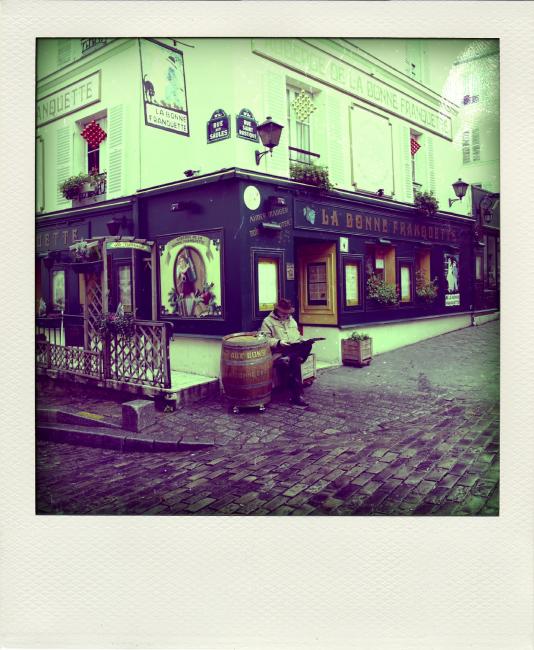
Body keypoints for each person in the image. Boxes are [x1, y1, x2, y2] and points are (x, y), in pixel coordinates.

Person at [260, 298, 308, 407]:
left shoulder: (292, 320)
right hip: (278, 353)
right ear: (278, 310)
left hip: (293, 350)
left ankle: (295, 358)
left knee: (303, 349)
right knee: (294, 361)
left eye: (288, 313)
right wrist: (279, 342)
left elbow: (297, 335)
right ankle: (297, 396)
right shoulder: (268, 321)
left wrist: (302, 340)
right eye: (284, 313)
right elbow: (264, 339)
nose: (286, 315)